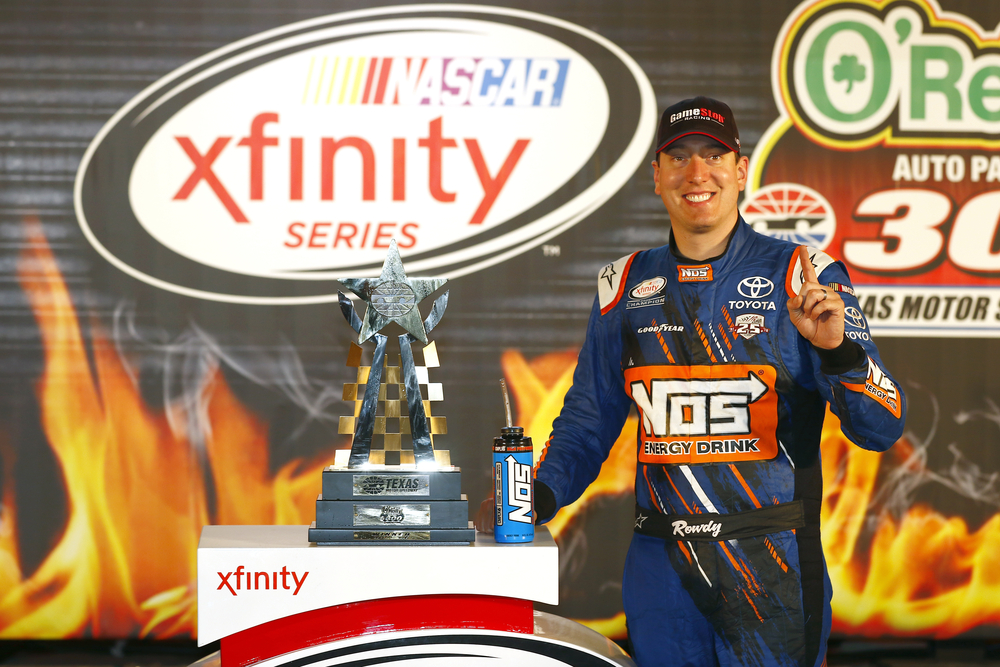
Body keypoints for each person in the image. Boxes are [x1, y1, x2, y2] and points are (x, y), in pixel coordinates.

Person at [477, 97, 905, 667]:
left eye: (714, 155)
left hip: (771, 563)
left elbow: (882, 426)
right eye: (678, 158)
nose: (696, 174)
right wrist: (533, 498)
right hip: (662, 569)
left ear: (741, 170)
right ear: (656, 176)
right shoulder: (624, 285)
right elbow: (587, 420)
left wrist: (839, 352)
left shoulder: (803, 274)